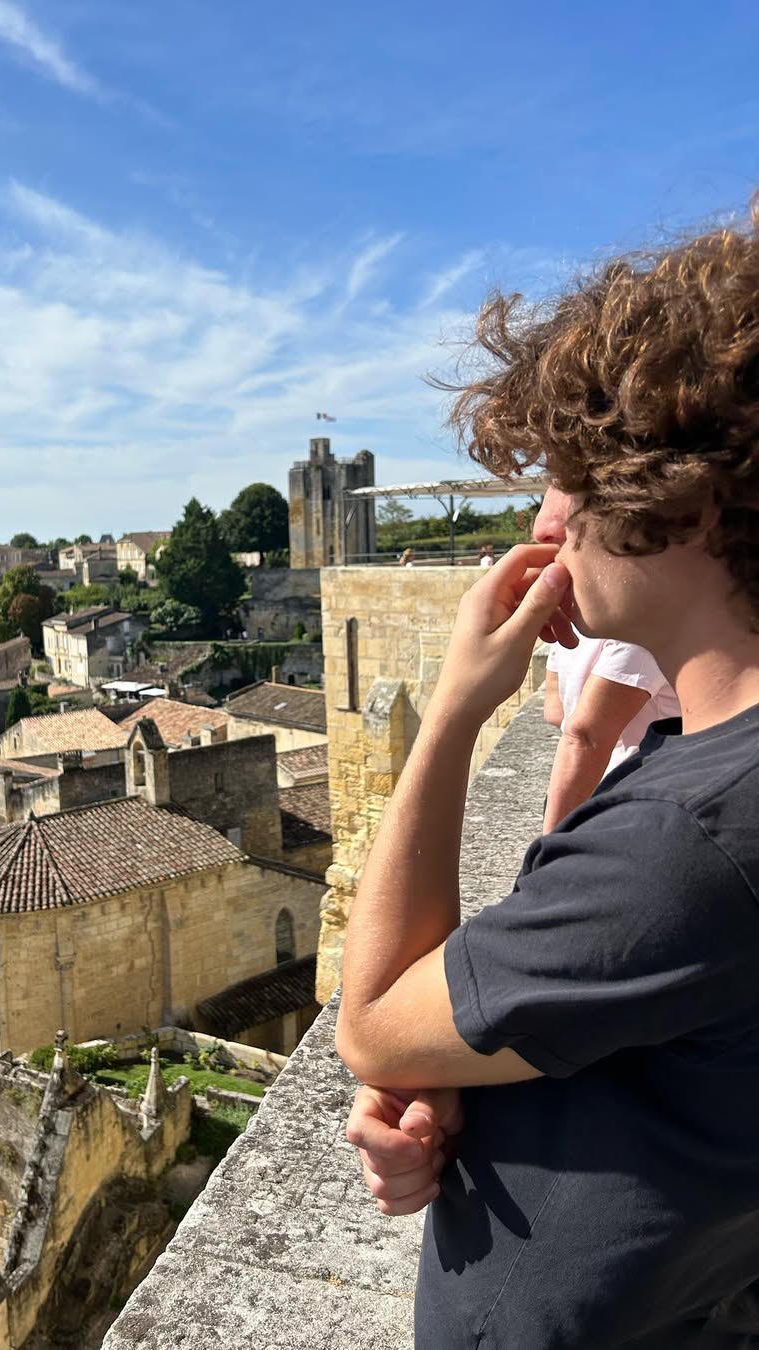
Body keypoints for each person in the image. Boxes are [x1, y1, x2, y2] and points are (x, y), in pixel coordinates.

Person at [338, 203, 759, 1347]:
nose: (549, 518)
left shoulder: (693, 835)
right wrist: (465, 1065)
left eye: (575, 476)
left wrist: (455, 712)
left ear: (688, 500)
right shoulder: (705, 767)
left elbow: (370, 1021)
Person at [542, 635, 680, 832]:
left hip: (569, 792)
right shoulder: (639, 634)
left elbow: (554, 711)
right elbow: (584, 738)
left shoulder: (569, 629)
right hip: (633, 798)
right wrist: (551, 844)